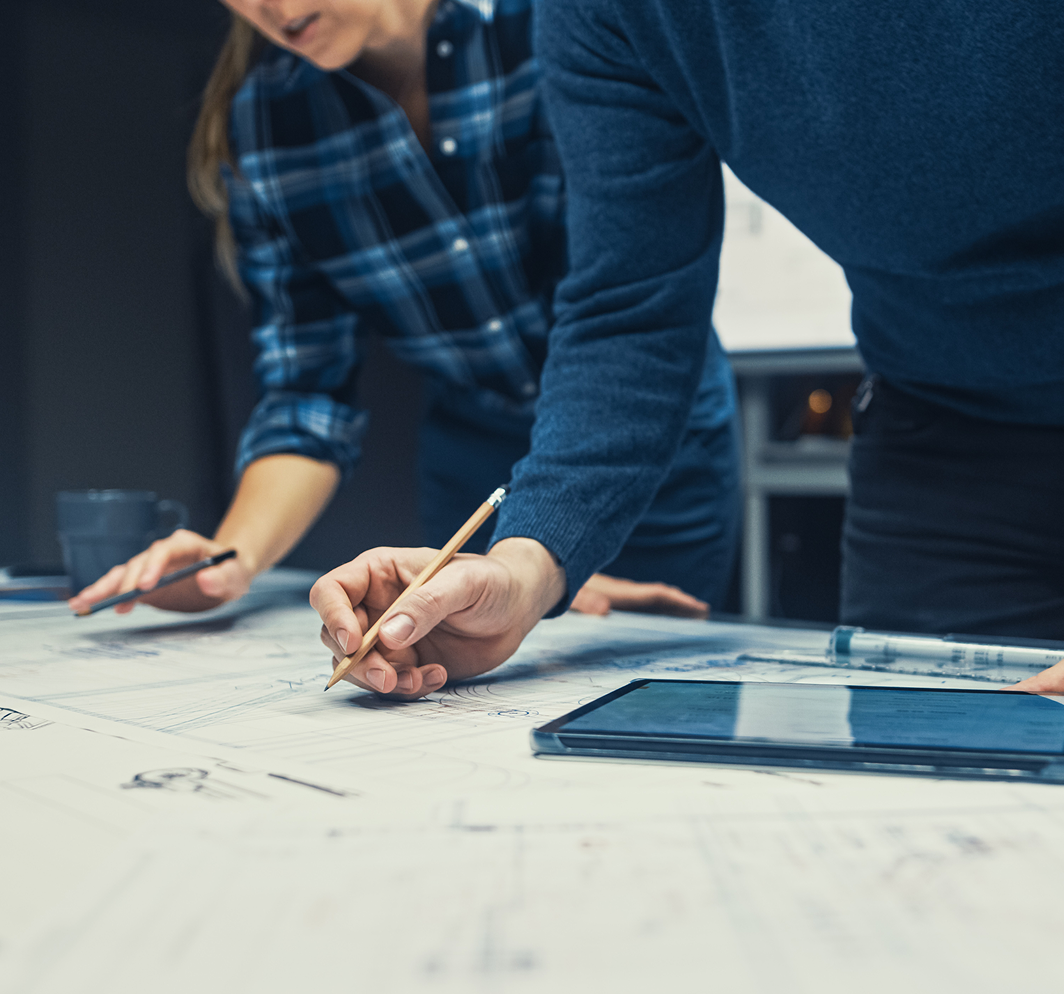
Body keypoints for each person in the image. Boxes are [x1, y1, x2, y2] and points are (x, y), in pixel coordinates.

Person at [310, 0, 1064, 757]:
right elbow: (630, 300)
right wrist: (529, 568)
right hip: (947, 429)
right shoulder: (601, 16)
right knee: (925, 840)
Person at [68, 0, 746, 692]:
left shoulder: (561, 24)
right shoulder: (267, 127)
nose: (271, 8)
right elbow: (307, 396)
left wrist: (554, 558)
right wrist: (229, 558)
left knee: (629, 705)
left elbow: (633, 310)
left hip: (643, 447)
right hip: (474, 458)